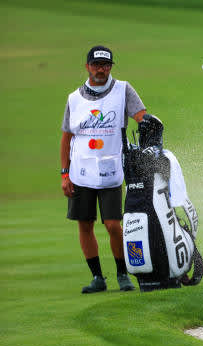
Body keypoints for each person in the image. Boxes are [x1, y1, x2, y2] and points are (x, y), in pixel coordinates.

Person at [60, 45, 147, 293]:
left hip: (111, 169)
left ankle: (123, 274)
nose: (101, 69)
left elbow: (142, 118)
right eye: (96, 65)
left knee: (112, 224)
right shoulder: (74, 99)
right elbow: (66, 138)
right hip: (80, 171)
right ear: (87, 66)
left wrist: (149, 134)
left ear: (110, 67)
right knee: (85, 224)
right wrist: (64, 174)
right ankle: (98, 277)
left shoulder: (123, 90)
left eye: (106, 65)